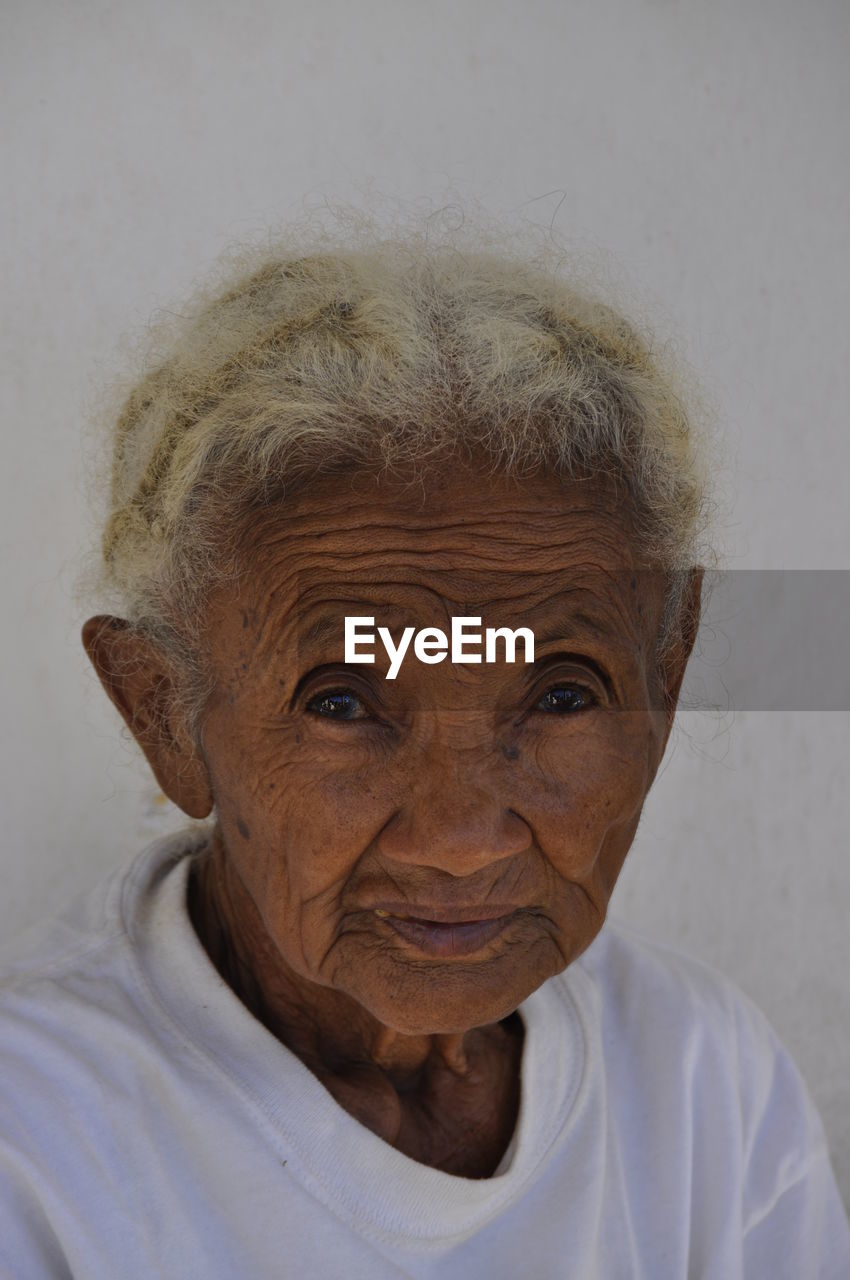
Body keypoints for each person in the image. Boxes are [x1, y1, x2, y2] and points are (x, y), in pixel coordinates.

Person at [1, 225, 848, 1278]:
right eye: (344, 702)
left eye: (559, 694)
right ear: (161, 711)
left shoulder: (700, 1084)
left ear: (665, 681)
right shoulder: (31, 1145)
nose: (458, 838)